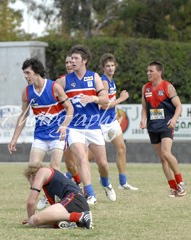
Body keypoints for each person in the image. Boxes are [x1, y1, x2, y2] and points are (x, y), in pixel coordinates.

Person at [8, 58, 74, 209]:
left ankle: (53, 200)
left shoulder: (54, 87)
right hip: (40, 136)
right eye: (24, 73)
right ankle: (46, 195)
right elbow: (23, 116)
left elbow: (70, 108)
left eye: (27, 73)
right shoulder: (27, 92)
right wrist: (14, 138)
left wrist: (64, 126)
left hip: (58, 135)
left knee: (54, 168)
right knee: (32, 172)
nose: (25, 76)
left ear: (37, 72)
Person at [58, 45, 116, 205]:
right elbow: (51, 92)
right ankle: (90, 194)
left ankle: (106, 184)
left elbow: (105, 99)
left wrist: (94, 99)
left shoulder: (94, 77)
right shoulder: (64, 80)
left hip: (93, 127)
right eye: (71, 59)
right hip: (74, 128)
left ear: (84, 61)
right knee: (82, 158)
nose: (72, 61)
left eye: (76, 58)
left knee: (103, 163)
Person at [140, 61, 186, 197]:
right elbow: (144, 107)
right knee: (162, 158)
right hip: (152, 127)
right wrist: (143, 119)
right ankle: (173, 187)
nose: (148, 73)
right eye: (147, 71)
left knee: (166, 153)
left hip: (166, 125)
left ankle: (181, 183)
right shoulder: (145, 88)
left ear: (159, 72)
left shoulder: (168, 86)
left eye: (151, 71)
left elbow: (179, 106)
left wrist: (174, 119)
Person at [98, 53, 138, 191]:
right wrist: (121, 99)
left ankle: (122, 183)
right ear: (103, 68)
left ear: (115, 66)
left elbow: (110, 103)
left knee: (121, 148)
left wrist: (115, 112)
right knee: (89, 155)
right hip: (101, 124)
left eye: (112, 65)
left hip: (111, 122)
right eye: (107, 66)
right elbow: (103, 105)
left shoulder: (111, 80)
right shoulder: (103, 82)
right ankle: (71, 177)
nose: (110, 68)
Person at [22, 163, 92, 229]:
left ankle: (79, 217)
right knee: (38, 222)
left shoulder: (42, 171)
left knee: (35, 219)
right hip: (78, 204)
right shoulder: (49, 185)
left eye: (29, 181)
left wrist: (30, 218)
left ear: (31, 176)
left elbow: (31, 201)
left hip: (75, 198)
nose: (31, 185)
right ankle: (74, 221)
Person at [56, 55, 82, 186]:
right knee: (70, 163)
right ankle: (78, 182)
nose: (69, 64)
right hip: (67, 124)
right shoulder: (60, 82)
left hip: (83, 124)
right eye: (67, 62)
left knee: (82, 159)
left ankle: (87, 190)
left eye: (72, 62)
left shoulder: (86, 79)